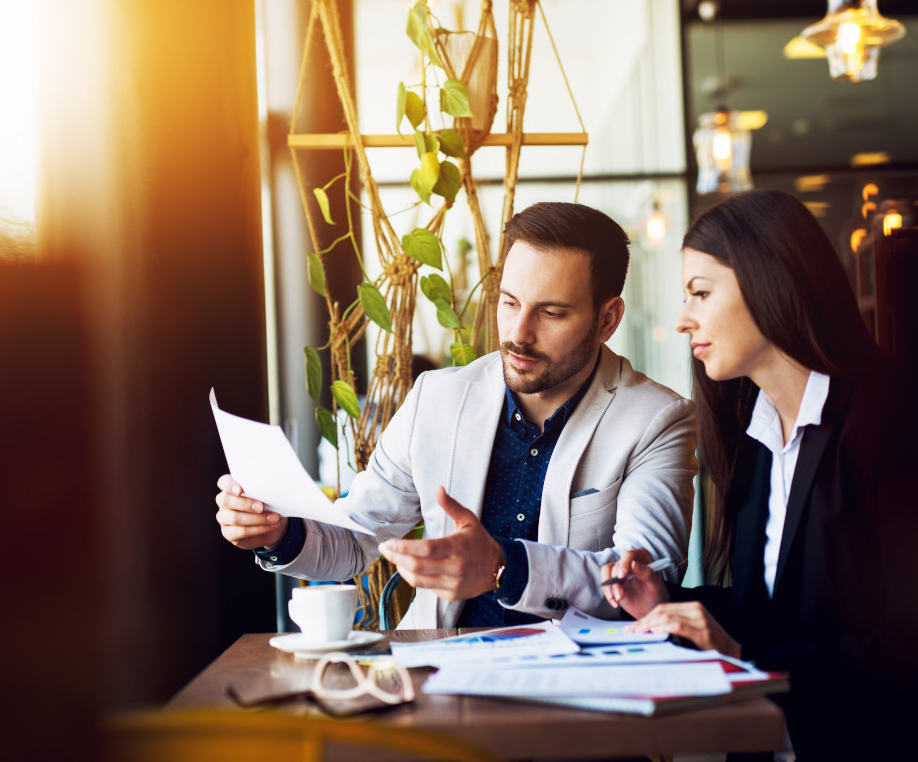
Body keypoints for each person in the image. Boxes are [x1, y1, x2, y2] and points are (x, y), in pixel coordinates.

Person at [216, 201, 696, 632]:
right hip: (439, 675)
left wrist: (503, 567)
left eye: (551, 313)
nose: (518, 333)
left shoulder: (656, 421)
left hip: (580, 690)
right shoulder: (437, 399)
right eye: (509, 303)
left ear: (608, 319)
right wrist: (278, 532)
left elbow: (648, 578)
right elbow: (356, 539)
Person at [602, 189, 900, 762]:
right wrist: (667, 607)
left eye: (701, 294)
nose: (684, 319)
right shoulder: (760, 438)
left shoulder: (890, 425)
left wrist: (743, 658)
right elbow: (775, 621)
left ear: (773, 280)